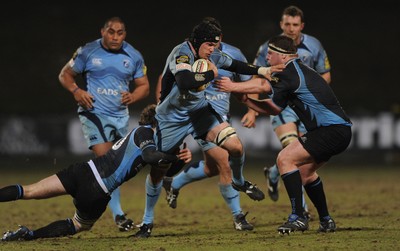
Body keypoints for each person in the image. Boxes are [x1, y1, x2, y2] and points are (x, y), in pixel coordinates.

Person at [134, 20, 282, 238]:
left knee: (236, 147)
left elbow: (235, 65)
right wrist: (212, 74)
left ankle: (239, 182)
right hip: (172, 118)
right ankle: (147, 222)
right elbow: (184, 81)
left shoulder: (211, 55)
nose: (215, 49)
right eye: (211, 45)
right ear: (199, 42)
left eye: (216, 45)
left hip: (200, 112)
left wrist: (263, 70)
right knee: (158, 170)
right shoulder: (182, 53)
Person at [215, 35, 352, 234]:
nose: (267, 57)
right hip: (338, 131)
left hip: (330, 131)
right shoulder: (295, 72)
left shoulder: (290, 73)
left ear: (283, 56)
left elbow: (266, 96)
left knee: (284, 159)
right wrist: (245, 99)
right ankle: (326, 220)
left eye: (270, 53)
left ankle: (298, 217)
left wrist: (233, 87)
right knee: (305, 173)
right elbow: (271, 102)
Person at [0, 104, 192, 241]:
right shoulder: (144, 132)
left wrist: (180, 160)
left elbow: (163, 168)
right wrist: (174, 158)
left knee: (29, 190)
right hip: (97, 190)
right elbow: (151, 157)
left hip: (82, 171)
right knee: (78, 225)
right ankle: (29, 234)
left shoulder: (144, 137)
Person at [158, 17, 258, 231]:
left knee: (211, 168)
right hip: (200, 117)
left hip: (222, 116)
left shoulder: (230, 54)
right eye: (210, 42)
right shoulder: (188, 54)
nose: (214, 45)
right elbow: (172, 77)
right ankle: (238, 216)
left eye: (217, 40)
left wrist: (252, 108)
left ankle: (174, 184)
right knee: (225, 163)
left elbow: (244, 83)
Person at [58, 16, 150, 231]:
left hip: (119, 117)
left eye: (120, 32)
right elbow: (65, 75)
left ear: (124, 34)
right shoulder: (88, 51)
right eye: (111, 32)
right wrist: (77, 91)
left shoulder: (133, 55)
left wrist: (134, 97)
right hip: (94, 113)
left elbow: (144, 85)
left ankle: (99, 206)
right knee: (105, 161)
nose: (115, 36)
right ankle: (118, 215)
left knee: (116, 166)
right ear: (103, 32)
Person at [253, 6, 331, 217]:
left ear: (301, 26)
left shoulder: (314, 45)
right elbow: (256, 76)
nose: (291, 28)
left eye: (295, 25)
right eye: (287, 24)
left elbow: (326, 76)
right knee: (290, 147)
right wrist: (251, 110)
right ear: (281, 25)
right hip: (282, 105)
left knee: (301, 156)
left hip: (306, 109)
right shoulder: (269, 49)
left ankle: (273, 173)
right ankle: (301, 210)